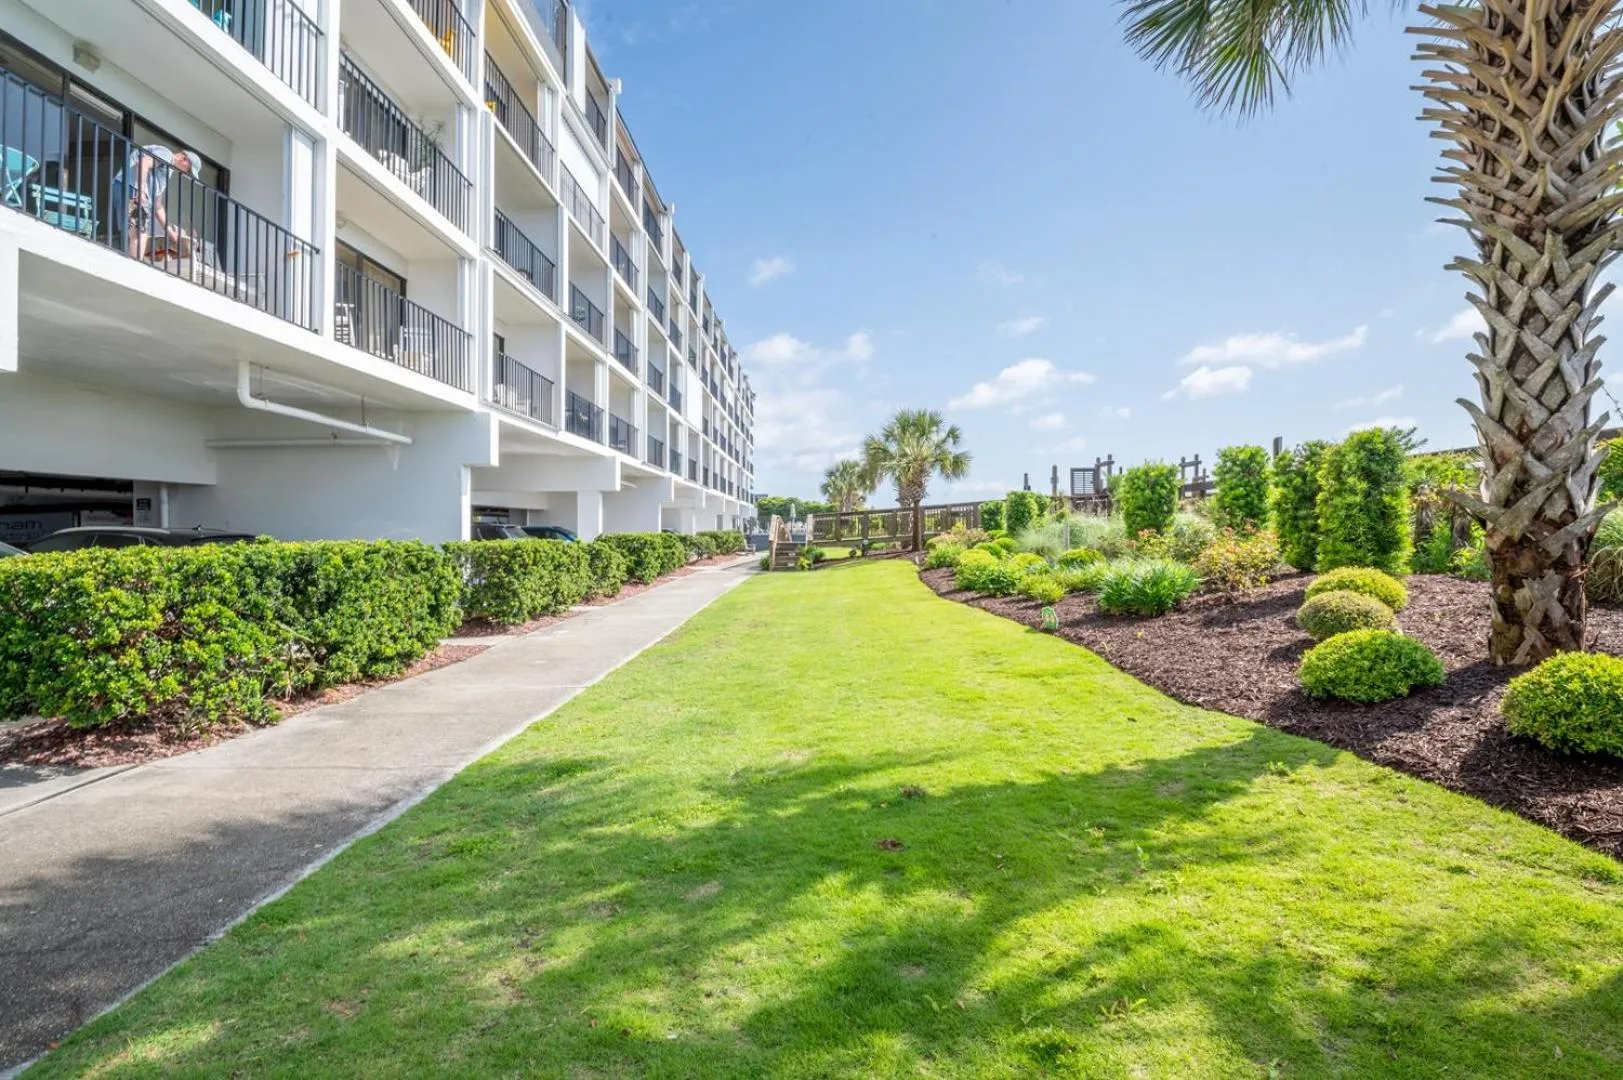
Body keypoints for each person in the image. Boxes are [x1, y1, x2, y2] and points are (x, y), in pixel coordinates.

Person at [118, 145, 200, 258]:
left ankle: (132, 261)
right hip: (133, 189)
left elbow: (157, 205)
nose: (186, 172)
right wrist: (141, 190)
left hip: (133, 191)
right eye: (189, 169)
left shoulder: (167, 170)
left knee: (135, 232)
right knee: (140, 234)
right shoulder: (166, 154)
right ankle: (135, 266)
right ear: (184, 158)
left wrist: (169, 231)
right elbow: (143, 163)